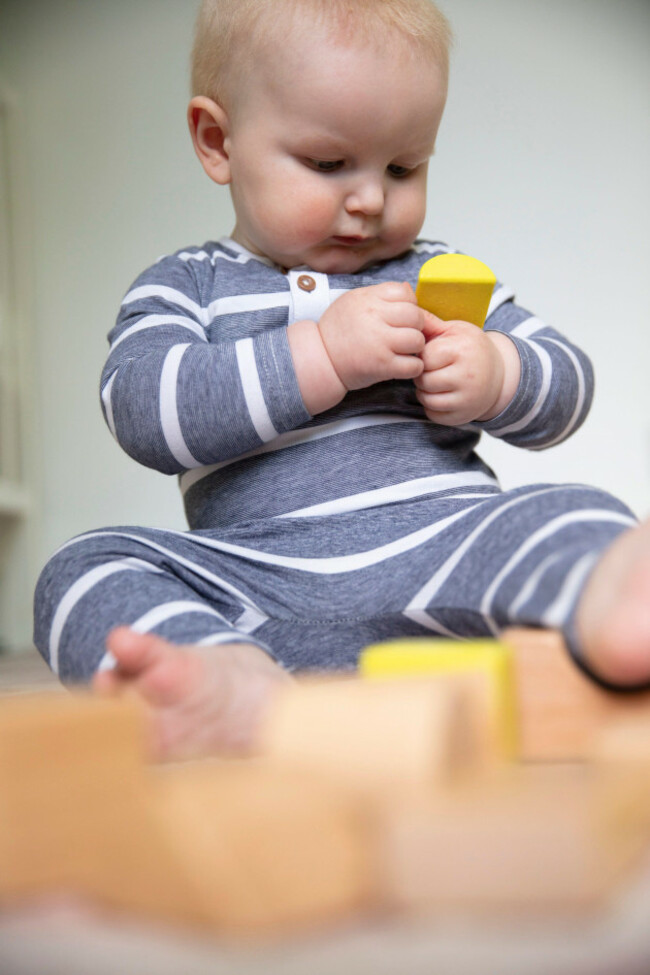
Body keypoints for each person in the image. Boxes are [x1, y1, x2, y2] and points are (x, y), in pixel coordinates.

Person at [33, 0, 650, 761]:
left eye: (403, 166)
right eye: (328, 164)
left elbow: (569, 382)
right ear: (218, 141)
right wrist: (321, 356)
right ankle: (224, 678)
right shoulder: (186, 286)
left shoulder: (434, 273)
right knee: (83, 566)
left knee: (567, 511)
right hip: (256, 588)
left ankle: (616, 595)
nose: (369, 199)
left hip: (446, 551)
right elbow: (144, 409)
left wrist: (499, 373)